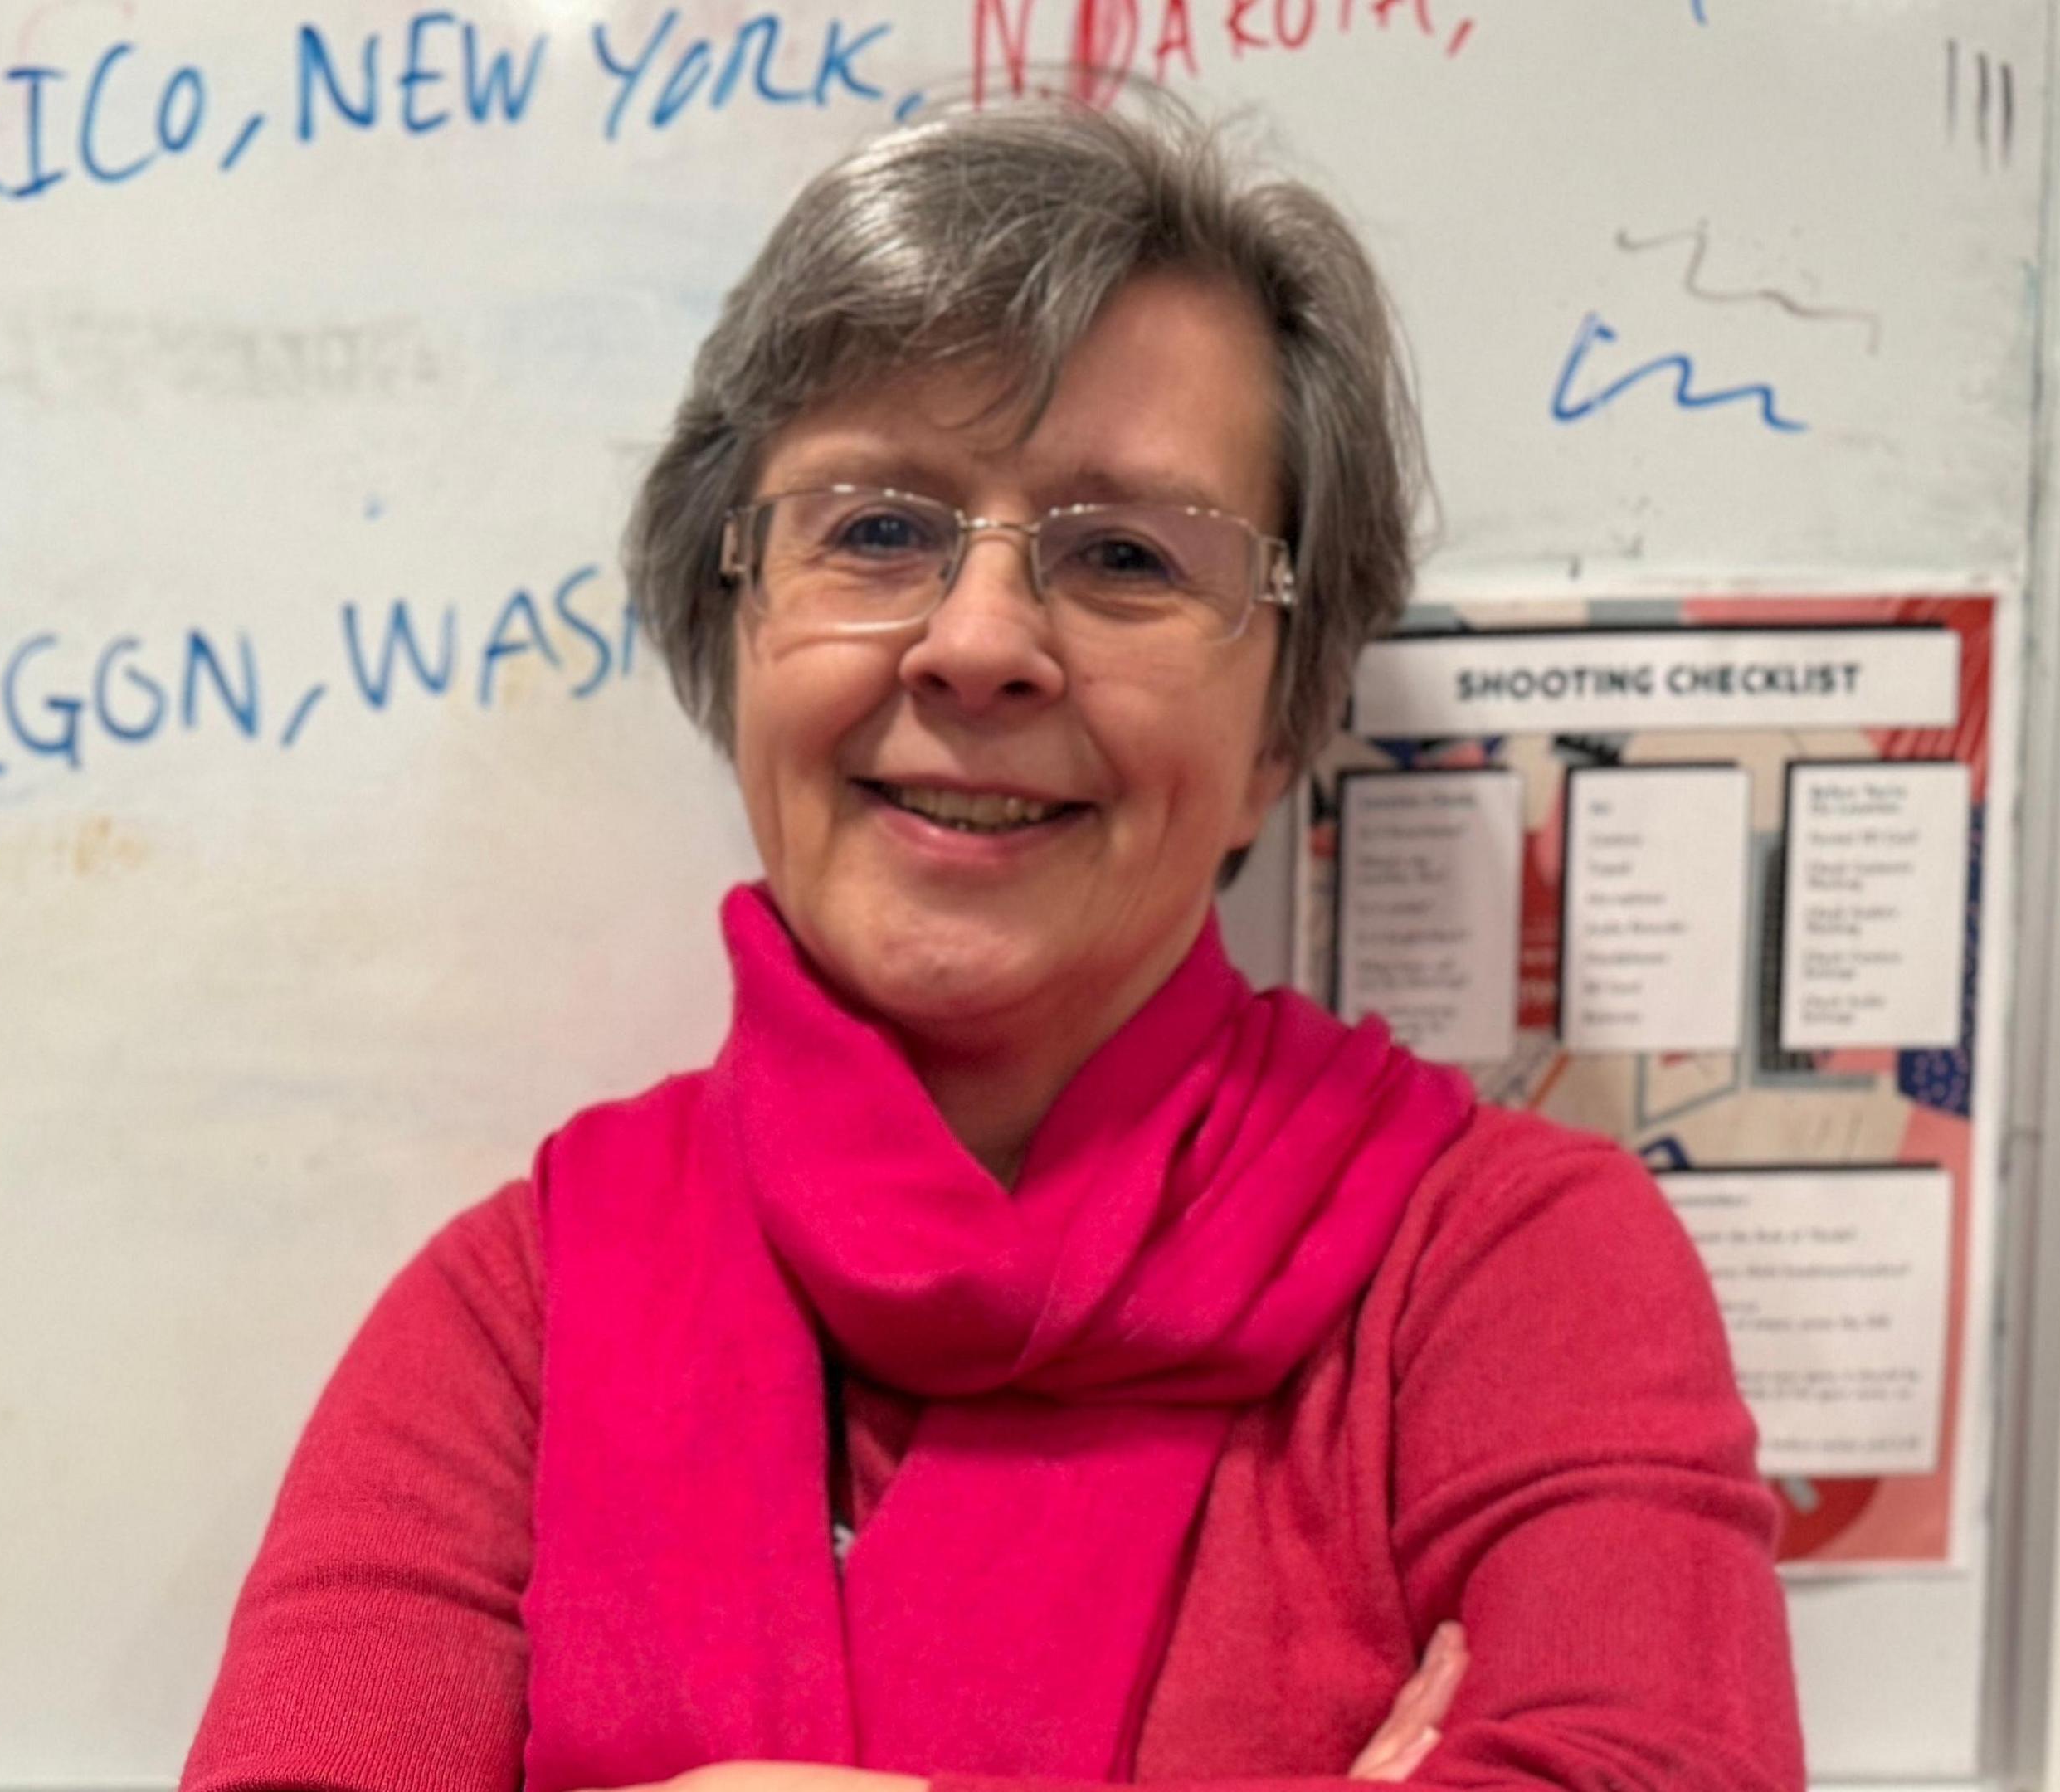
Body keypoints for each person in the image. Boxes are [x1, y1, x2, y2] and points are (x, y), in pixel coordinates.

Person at [183, 98, 1801, 1792]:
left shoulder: (1510, 1276)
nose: (977, 646)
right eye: (877, 530)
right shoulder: (512, 1323)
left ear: (1278, 724)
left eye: (1124, 557)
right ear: (731, 631)